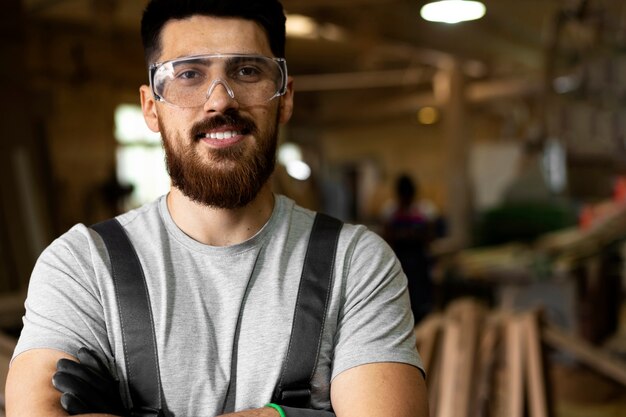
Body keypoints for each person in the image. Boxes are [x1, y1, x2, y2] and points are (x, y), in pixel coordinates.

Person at [5, 1, 428, 416]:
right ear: (151, 107)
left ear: (285, 99)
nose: (220, 101)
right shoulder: (81, 265)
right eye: (189, 74)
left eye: (247, 71)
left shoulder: (355, 263)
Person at [382, 175, 436, 323]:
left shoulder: (424, 210)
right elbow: (387, 236)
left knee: (419, 302)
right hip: (401, 261)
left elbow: (430, 236)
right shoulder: (390, 211)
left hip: (418, 263)